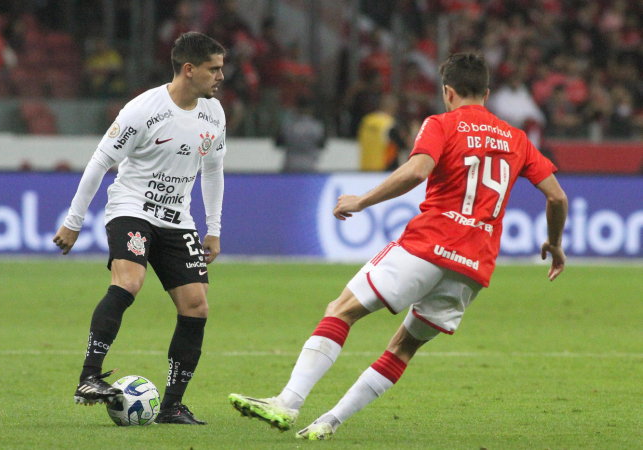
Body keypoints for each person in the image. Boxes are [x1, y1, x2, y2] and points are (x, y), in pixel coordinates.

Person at [229, 52, 568, 440]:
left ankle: (287, 403)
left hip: (429, 244)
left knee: (341, 310)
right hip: (473, 266)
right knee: (403, 348)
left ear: (447, 91)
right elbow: (557, 197)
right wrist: (555, 244)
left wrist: (361, 200)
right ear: (487, 93)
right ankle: (329, 423)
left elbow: (418, 170)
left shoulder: (441, 123)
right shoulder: (517, 139)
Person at [53, 32, 227, 425]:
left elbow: (213, 170)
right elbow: (100, 162)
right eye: (213, 69)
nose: (221, 76)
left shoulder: (214, 114)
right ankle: (89, 378)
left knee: (196, 306)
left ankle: (172, 406)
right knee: (129, 281)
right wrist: (73, 221)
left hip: (177, 218)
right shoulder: (143, 110)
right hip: (132, 209)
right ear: (189, 70)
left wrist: (213, 229)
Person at [275, 97, 326, 172]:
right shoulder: (317, 126)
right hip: (309, 164)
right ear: (311, 109)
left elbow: (278, 143)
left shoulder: (288, 125)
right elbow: (322, 145)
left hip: (290, 164)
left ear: (297, 109)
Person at [357, 94, 407, 171]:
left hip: (364, 168)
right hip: (382, 170)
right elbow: (402, 145)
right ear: (393, 108)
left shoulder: (366, 120)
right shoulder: (389, 124)